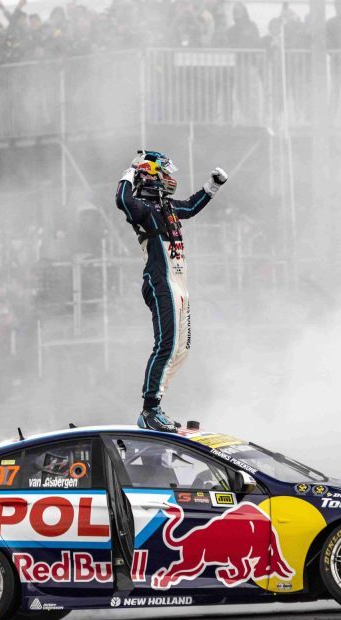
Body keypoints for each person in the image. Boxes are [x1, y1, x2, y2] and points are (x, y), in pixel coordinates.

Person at [114, 151, 227, 432]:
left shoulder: (167, 207)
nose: (168, 179)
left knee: (182, 349)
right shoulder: (140, 208)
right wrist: (130, 170)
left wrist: (212, 186)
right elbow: (122, 200)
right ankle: (148, 410)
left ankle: (157, 405)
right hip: (160, 282)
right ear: (149, 176)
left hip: (178, 284)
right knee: (166, 344)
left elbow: (190, 206)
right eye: (163, 173)